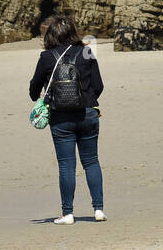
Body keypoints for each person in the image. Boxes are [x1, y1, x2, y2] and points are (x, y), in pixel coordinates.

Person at [29, 15, 106, 225]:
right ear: (73, 32)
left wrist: (39, 95)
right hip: (88, 113)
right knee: (91, 161)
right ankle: (98, 209)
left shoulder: (46, 57)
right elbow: (99, 85)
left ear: (51, 35)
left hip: (60, 117)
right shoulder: (87, 52)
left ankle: (68, 213)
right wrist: (90, 100)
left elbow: (34, 87)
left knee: (66, 166)